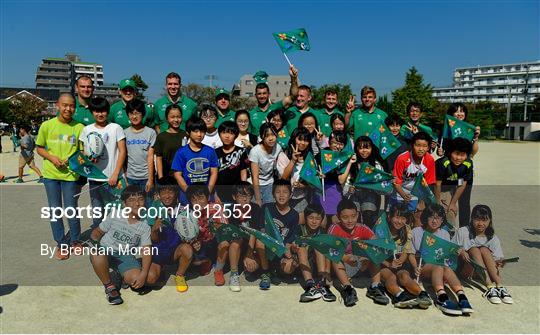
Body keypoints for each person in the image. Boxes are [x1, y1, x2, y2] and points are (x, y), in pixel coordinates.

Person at [36, 94, 84, 259]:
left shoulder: (79, 127)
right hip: (51, 176)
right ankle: (62, 244)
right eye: (65, 105)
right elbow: (39, 148)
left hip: (70, 176)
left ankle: (76, 241)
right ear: (57, 105)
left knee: (71, 210)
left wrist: (73, 160)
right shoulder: (47, 125)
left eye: (71, 106)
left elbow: (82, 151)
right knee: (55, 210)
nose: (68, 109)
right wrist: (52, 158)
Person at [88, 185, 152, 305]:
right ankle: (109, 287)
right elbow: (97, 232)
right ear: (124, 204)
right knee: (97, 253)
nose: (137, 203)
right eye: (131, 200)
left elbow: (147, 251)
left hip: (125, 255)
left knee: (136, 282)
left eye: (140, 199)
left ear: (145, 202)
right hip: (106, 250)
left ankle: (118, 274)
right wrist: (95, 241)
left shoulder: (144, 226)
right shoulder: (115, 214)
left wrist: (143, 274)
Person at [409, 203, 474, 315]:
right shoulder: (416, 231)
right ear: (425, 217)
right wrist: (415, 267)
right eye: (431, 217)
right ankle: (441, 297)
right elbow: (410, 253)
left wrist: (458, 251)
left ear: (442, 220)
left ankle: (462, 297)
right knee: (439, 266)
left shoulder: (444, 233)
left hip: (441, 269)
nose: (435, 221)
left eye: (438, 218)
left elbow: (448, 253)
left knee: (446, 268)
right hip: (423, 268)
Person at [328, 199, 388, 307]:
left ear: (358, 215)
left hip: (360, 264)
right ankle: (348, 288)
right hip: (343, 266)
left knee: (373, 251)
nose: (350, 220)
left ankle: (375, 287)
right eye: (345, 217)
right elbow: (330, 250)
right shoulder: (334, 229)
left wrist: (365, 255)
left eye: (353, 216)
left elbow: (376, 244)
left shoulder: (362, 228)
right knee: (334, 257)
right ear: (338, 217)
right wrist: (345, 257)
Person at [80, 97, 127, 229]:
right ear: (92, 112)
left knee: (116, 214)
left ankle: (114, 244)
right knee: (97, 212)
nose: (100, 114)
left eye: (103, 111)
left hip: (113, 179)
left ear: (107, 111)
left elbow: (122, 151)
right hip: (95, 179)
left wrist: (116, 174)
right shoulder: (87, 130)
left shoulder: (115, 128)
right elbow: (84, 152)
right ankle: (98, 243)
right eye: (96, 111)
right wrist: (89, 158)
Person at [453, 205, 513, 304]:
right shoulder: (463, 231)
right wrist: (460, 250)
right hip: (466, 268)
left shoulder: (493, 238)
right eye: (477, 220)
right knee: (474, 250)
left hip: (484, 271)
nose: (480, 223)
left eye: (484, 220)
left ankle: (500, 286)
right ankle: (490, 287)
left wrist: (500, 262)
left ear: (490, 221)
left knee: (484, 250)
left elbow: (498, 258)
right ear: (471, 219)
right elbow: (451, 248)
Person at [380, 203, 432, 308]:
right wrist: (389, 264)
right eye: (397, 217)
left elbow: (406, 251)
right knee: (391, 277)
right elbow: (375, 253)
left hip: (399, 260)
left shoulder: (407, 229)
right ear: (389, 217)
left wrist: (399, 262)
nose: (399, 221)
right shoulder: (381, 229)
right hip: (383, 262)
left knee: (404, 276)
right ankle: (399, 295)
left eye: (403, 218)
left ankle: (421, 294)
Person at [438, 103, 480, 227]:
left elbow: (473, 152)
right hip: (449, 170)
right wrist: (439, 151)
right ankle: (446, 228)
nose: (459, 113)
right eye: (456, 111)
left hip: (464, 170)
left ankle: (464, 229)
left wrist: (476, 138)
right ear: (451, 114)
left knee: (464, 200)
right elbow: (441, 148)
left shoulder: (469, 129)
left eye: (462, 111)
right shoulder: (445, 128)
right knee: (447, 199)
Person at [173, 184, 221, 293]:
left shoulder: (216, 209)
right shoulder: (186, 214)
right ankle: (203, 262)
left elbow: (223, 231)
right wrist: (191, 241)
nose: (198, 202)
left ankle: (214, 266)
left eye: (201, 198)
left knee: (222, 243)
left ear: (208, 198)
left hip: (213, 242)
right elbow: (181, 233)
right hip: (199, 245)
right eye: (194, 199)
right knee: (193, 255)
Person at [256, 179, 300, 290]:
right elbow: (262, 230)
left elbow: (291, 239)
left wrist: (288, 251)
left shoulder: (294, 215)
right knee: (260, 241)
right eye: (278, 191)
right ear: (273, 194)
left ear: (290, 195)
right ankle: (266, 273)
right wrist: (272, 244)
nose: (281, 195)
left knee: (288, 269)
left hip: (283, 248)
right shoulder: (266, 208)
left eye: (285, 192)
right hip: (268, 245)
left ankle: (276, 271)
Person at [171, 116, 219, 204]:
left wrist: (207, 192)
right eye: (195, 131)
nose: (199, 134)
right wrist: (190, 193)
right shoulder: (181, 152)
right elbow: (177, 175)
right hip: (187, 197)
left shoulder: (210, 151)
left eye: (202, 131)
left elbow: (214, 173)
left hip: (206, 196)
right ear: (188, 132)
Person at [296, 204, 336, 303]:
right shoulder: (299, 229)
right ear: (305, 218)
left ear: (322, 220)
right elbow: (291, 245)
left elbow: (328, 253)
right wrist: (294, 246)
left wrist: (327, 271)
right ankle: (310, 286)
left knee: (321, 247)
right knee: (302, 249)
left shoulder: (322, 232)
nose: (314, 221)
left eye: (318, 219)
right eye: (311, 218)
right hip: (300, 265)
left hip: (318, 267)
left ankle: (323, 284)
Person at [343, 136, 386, 228]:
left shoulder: (377, 165)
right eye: (361, 148)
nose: (364, 151)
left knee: (368, 217)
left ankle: (367, 239)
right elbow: (346, 182)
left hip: (371, 195)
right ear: (356, 149)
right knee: (355, 219)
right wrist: (348, 189)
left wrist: (376, 187)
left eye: (367, 148)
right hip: (355, 195)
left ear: (371, 149)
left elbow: (382, 186)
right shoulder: (352, 163)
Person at [146, 185, 183, 287]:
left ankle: (179, 275)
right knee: (150, 278)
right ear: (159, 195)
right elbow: (153, 240)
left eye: (170, 192)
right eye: (163, 193)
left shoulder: (182, 209)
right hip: (158, 251)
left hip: (175, 250)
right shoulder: (153, 209)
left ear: (176, 193)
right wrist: (154, 230)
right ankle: (160, 268)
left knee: (187, 250)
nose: (167, 196)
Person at [392, 132, 436, 213]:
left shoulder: (429, 160)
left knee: (416, 218)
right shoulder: (402, 158)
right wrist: (403, 195)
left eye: (424, 146)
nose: (421, 149)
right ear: (412, 145)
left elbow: (428, 183)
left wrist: (422, 201)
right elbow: (395, 181)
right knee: (397, 218)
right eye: (418, 145)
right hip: (399, 193)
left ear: (428, 147)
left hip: (417, 194)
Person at [230, 182, 262, 292]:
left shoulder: (255, 208)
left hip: (251, 245)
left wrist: (249, 254)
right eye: (241, 196)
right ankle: (234, 274)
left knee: (252, 267)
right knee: (236, 242)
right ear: (234, 197)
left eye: (248, 195)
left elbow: (254, 232)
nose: (245, 199)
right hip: (237, 245)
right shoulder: (231, 210)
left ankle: (246, 265)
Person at [249, 65, 298, 136]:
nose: (262, 96)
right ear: (255, 95)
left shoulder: (276, 107)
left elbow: (293, 96)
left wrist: (293, 78)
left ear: (269, 94)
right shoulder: (250, 114)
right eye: (259, 94)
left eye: (264, 93)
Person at [434, 138, 473, 227]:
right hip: (433, 188)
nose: (458, 158)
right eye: (456, 154)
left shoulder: (467, 164)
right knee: (435, 213)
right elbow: (437, 184)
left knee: (450, 213)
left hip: (448, 188)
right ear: (450, 152)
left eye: (462, 155)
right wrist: (437, 202)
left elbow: (462, 184)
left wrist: (453, 203)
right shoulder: (443, 163)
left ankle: (450, 236)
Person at [276, 127, 313, 218]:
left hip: (301, 198)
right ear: (293, 139)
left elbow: (313, 180)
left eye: (306, 140)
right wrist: (292, 160)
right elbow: (283, 177)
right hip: (284, 198)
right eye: (299, 139)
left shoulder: (310, 157)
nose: (303, 143)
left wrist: (304, 185)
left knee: (299, 225)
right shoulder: (283, 155)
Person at [318, 131, 353, 224]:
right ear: (329, 142)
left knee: (336, 222)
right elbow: (313, 171)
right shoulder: (321, 155)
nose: (337, 146)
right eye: (334, 143)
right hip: (321, 192)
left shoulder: (344, 158)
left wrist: (349, 162)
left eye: (341, 144)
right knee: (321, 222)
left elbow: (341, 180)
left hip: (336, 193)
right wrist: (318, 175)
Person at [124, 99, 156, 192]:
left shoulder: (151, 132)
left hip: (146, 177)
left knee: (148, 205)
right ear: (128, 115)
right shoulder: (124, 133)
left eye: (137, 113)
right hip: (130, 177)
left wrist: (150, 179)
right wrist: (125, 176)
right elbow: (123, 156)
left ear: (143, 114)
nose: (134, 116)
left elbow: (150, 157)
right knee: (132, 205)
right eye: (131, 113)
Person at [248, 123, 282, 205]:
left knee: (269, 210)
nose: (271, 138)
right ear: (262, 137)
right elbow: (255, 177)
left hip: (269, 184)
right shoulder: (255, 151)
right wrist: (258, 198)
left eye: (273, 135)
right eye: (267, 136)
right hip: (254, 184)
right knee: (256, 210)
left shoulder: (278, 148)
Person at [214, 121, 248, 204]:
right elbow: (212, 175)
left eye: (231, 133)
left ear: (236, 135)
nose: (227, 136)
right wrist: (214, 194)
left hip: (237, 194)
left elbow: (243, 172)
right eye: (224, 132)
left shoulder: (242, 151)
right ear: (219, 134)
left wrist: (243, 191)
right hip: (219, 194)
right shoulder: (214, 153)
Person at [154, 104, 187, 185]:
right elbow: (158, 157)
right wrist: (160, 177)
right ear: (167, 118)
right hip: (167, 176)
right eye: (172, 117)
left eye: (178, 117)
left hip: (183, 176)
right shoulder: (161, 136)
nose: (176, 120)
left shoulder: (186, 134)